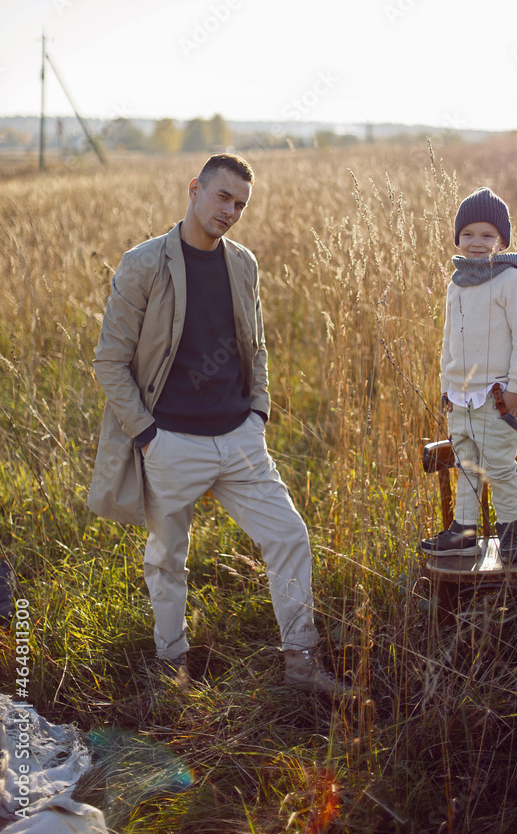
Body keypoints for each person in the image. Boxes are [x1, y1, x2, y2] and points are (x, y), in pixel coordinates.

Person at [88, 154, 347, 696]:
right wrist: (147, 435)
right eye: (223, 197)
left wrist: (258, 412)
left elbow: (257, 345)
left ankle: (301, 665)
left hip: (240, 438)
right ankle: (173, 666)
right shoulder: (143, 264)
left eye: (241, 204)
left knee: (289, 536)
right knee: (166, 559)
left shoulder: (243, 263)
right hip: (170, 440)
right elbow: (109, 360)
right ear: (194, 190)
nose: (231, 211)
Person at [420, 187, 517, 562]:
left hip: (495, 395)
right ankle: (465, 531)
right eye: (468, 234)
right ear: (458, 237)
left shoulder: (511, 281)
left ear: (501, 240)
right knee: (466, 464)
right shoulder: (456, 283)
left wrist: (516, 387)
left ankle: (509, 533)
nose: (476, 243)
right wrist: (445, 387)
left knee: (501, 468)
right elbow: (447, 342)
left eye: (487, 235)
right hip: (459, 395)